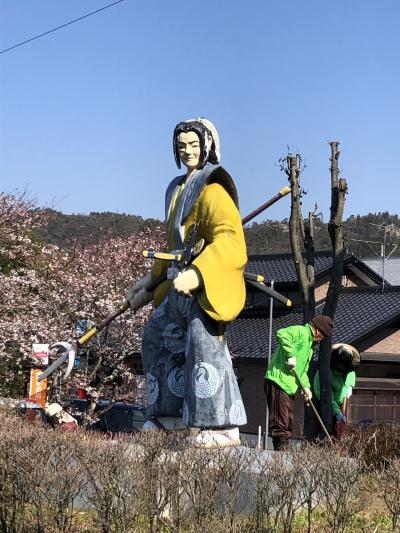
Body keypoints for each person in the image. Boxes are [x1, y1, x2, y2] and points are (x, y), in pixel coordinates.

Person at [126, 118, 248, 447]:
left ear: (208, 146)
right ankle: (169, 417)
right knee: (156, 336)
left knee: (202, 342)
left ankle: (220, 425)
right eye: (182, 146)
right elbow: (172, 248)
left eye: (194, 145)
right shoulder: (176, 189)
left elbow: (230, 240)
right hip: (175, 283)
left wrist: (199, 272)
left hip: (203, 286)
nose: (188, 151)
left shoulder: (213, 188)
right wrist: (147, 283)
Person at [264, 315, 333, 451]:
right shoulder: (301, 331)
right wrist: (291, 355)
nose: (322, 340)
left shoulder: (309, 347)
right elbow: (281, 334)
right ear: (318, 331)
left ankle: (284, 449)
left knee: (288, 419)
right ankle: (280, 451)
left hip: (290, 386)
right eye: (323, 336)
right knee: (280, 420)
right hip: (278, 380)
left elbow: (301, 371)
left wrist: (306, 387)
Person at [313, 343, 360, 438]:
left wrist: (350, 386)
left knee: (341, 430)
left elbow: (351, 374)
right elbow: (328, 397)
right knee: (327, 428)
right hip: (324, 402)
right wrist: (337, 413)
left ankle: (339, 448)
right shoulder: (325, 372)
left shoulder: (349, 367)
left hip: (340, 401)